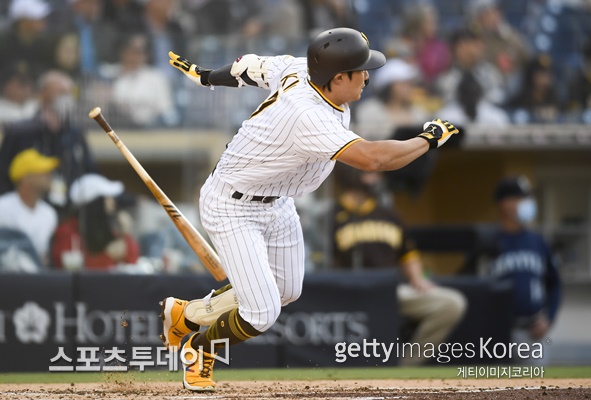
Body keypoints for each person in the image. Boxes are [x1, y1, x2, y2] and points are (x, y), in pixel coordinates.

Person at [160, 27, 459, 391]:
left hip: (278, 200)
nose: (367, 77)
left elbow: (248, 67)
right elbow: (374, 159)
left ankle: (187, 314)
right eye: (361, 70)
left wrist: (207, 76)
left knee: (287, 291)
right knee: (262, 312)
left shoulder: (302, 68)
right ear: (338, 77)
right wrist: (428, 138)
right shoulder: (308, 115)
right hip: (232, 206)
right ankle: (200, 348)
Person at [330, 164, 466, 366]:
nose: (377, 177)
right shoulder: (331, 215)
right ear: (352, 173)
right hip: (350, 294)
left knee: (452, 304)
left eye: (378, 171)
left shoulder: (389, 214)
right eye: (370, 171)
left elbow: (407, 254)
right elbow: (324, 261)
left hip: (390, 291)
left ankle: (404, 367)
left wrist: (417, 278)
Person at [464, 176, 561, 364]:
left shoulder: (537, 242)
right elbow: (470, 284)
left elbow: (555, 284)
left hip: (531, 331)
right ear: (504, 203)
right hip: (493, 332)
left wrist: (549, 317)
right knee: (492, 382)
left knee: (535, 382)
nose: (526, 204)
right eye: (519, 198)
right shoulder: (487, 241)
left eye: (527, 199)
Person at [0, 70, 96, 210]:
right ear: (42, 94)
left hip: (68, 208)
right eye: (62, 92)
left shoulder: (75, 133)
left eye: (70, 93)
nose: (67, 98)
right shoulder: (19, 131)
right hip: (25, 207)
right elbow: (3, 175)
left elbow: (90, 171)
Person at [51, 173, 140, 270]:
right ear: (96, 202)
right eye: (107, 197)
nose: (112, 201)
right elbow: (69, 268)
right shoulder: (68, 231)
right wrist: (108, 256)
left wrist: (125, 233)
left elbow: (131, 261)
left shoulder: (104, 229)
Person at [0, 148, 59, 267]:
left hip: (40, 276)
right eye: (43, 171)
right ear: (26, 177)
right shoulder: (3, 208)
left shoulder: (49, 213)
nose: (49, 175)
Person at [110, 33, 178, 128]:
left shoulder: (157, 78)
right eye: (135, 51)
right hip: (118, 129)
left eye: (143, 51)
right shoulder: (110, 75)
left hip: (151, 130)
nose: (139, 56)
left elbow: (168, 113)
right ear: (123, 52)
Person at [354, 58, 430, 141]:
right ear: (389, 87)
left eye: (410, 83)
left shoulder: (418, 112)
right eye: (404, 84)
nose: (409, 88)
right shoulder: (369, 111)